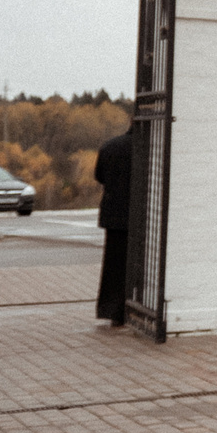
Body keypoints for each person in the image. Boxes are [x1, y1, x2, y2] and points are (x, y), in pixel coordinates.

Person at [92, 126, 131, 328]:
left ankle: (111, 309)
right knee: (136, 265)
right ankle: (132, 307)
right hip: (137, 214)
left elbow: (99, 176)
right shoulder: (145, 148)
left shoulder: (110, 146)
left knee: (113, 265)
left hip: (113, 212)